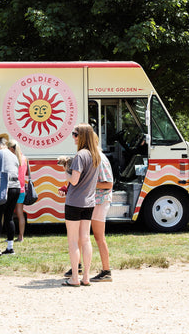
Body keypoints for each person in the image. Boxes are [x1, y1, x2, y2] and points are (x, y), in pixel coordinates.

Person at [58, 123, 101, 287]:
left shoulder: (80, 155)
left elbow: (74, 180)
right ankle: (86, 277)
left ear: (82, 136)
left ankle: (75, 277)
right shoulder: (95, 154)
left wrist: (65, 169)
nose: (73, 137)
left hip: (74, 202)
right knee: (85, 239)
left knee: (73, 241)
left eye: (75, 134)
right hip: (89, 202)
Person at [89, 151, 114, 282]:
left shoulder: (99, 159)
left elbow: (109, 184)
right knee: (83, 235)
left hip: (100, 201)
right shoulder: (93, 157)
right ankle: (79, 267)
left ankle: (106, 271)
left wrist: (88, 184)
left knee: (99, 237)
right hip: (94, 201)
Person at [8, 139, 28, 242]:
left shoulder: (12, 159)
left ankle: (9, 236)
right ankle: (21, 236)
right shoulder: (24, 158)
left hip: (12, 187)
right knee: (20, 214)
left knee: (9, 213)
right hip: (22, 189)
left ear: (11, 148)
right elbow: (26, 173)